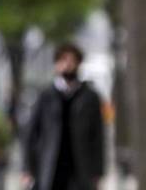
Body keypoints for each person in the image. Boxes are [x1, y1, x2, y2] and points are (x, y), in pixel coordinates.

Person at [23, 43, 104, 190]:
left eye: (72, 60)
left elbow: (97, 136)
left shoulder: (90, 97)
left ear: (79, 63)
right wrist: (28, 169)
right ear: (56, 64)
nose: (67, 65)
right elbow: (31, 134)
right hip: (50, 168)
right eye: (63, 60)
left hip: (80, 169)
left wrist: (98, 172)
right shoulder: (46, 96)